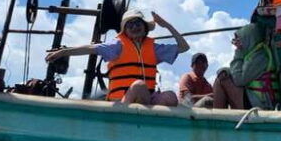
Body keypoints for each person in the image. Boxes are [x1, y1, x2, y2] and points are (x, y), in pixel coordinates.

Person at [45, 9, 189, 106]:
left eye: (138, 23)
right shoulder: (117, 46)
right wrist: (63, 52)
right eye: (130, 25)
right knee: (139, 85)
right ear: (125, 30)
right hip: (122, 101)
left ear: (145, 27)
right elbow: (90, 48)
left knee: (170, 96)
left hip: (147, 100)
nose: (134, 27)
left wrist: (166, 25)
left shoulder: (154, 48)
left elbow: (184, 47)